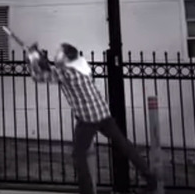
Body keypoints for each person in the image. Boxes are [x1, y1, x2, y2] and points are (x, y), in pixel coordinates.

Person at [26, 41, 159, 193]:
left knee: (78, 155)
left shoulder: (67, 73)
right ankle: (150, 178)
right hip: (102, 113)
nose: (56, 55)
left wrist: (32, 59)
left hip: (88, 119)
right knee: (124, 145)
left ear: (66, 59)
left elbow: (39, 77)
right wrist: (42, 61)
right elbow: (53, 70)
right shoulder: (81, 66)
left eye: (59, 53)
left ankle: (87, 191)